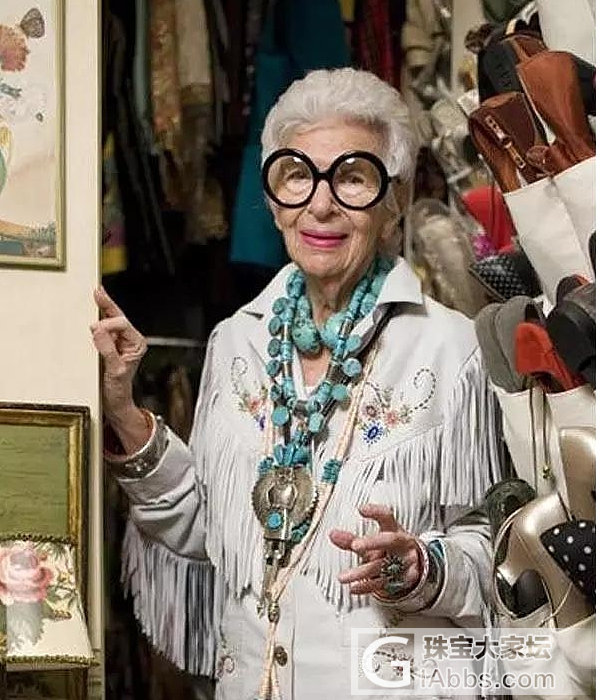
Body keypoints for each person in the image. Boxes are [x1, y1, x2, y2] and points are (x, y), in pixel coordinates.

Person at [92, 68, 501, 700]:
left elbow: (497, 554)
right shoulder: (237, 340)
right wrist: (124, 412)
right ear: (275, 199)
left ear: (394, 201)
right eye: (296, 175)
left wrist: (421, 567)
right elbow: (209, 533)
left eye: (353, 177)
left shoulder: (454, 349)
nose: (321, 204)